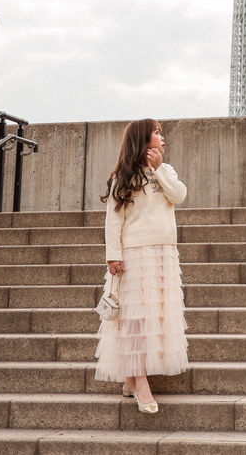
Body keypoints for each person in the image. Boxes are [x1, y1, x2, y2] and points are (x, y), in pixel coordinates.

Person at [94, 118, 188, 413]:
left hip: (163, 254)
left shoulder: (166, 171)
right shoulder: (124, 175)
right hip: (134, 254)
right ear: (142, 140)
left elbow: (179, 195)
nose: (162, 138)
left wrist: (159, 169)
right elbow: (114, 218)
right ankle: (140, 383)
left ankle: (131, 377)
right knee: (134, 319)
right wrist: (114, 255)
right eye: (157, 133)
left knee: (155, 317)